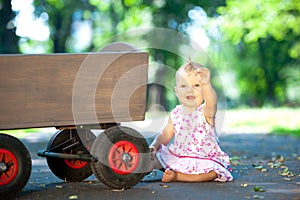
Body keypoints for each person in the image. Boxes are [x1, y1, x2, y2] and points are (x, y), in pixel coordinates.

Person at [149, 61, 233, 182]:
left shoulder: (205, 112)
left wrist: (207, 84)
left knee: (214, 171)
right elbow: (166, 134)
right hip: (178, 156)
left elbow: (212, 102)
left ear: (204, 91)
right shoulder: (176, 113)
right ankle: (139, 170)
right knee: (155, 157)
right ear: (177, 91)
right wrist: (154, 146)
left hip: (203, 158)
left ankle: (178, 176)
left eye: (197, 86)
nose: (190, 90)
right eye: (184, 86)